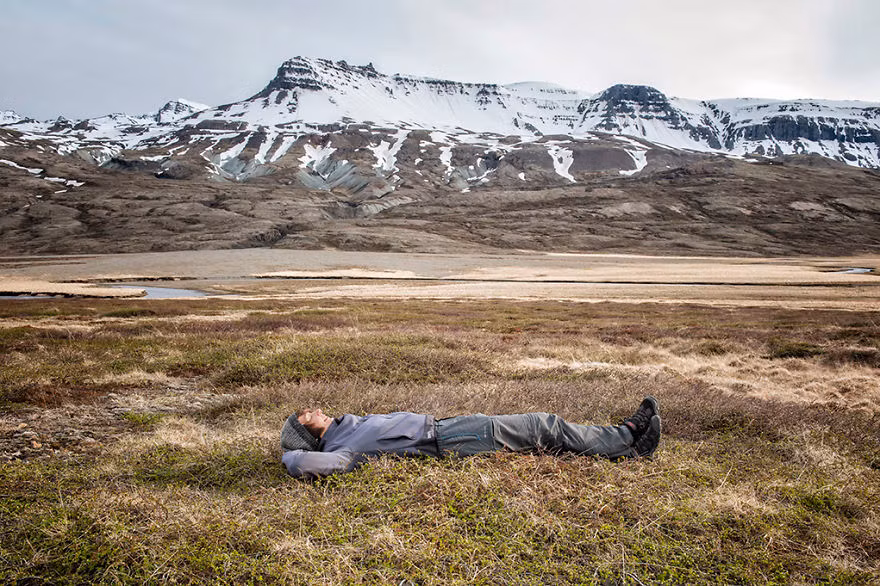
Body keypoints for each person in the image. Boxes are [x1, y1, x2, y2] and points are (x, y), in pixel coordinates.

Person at [281, 398, 661, 479]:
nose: (316, 410)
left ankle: (626, 442)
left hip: (450, 427)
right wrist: (289, 455)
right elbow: (305, 463)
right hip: (451, 440)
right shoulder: (340, 449)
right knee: (545, 425)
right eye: (307, 416)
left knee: (547, 436)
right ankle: (626, 438)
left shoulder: (348, 425)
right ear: (305, 433)